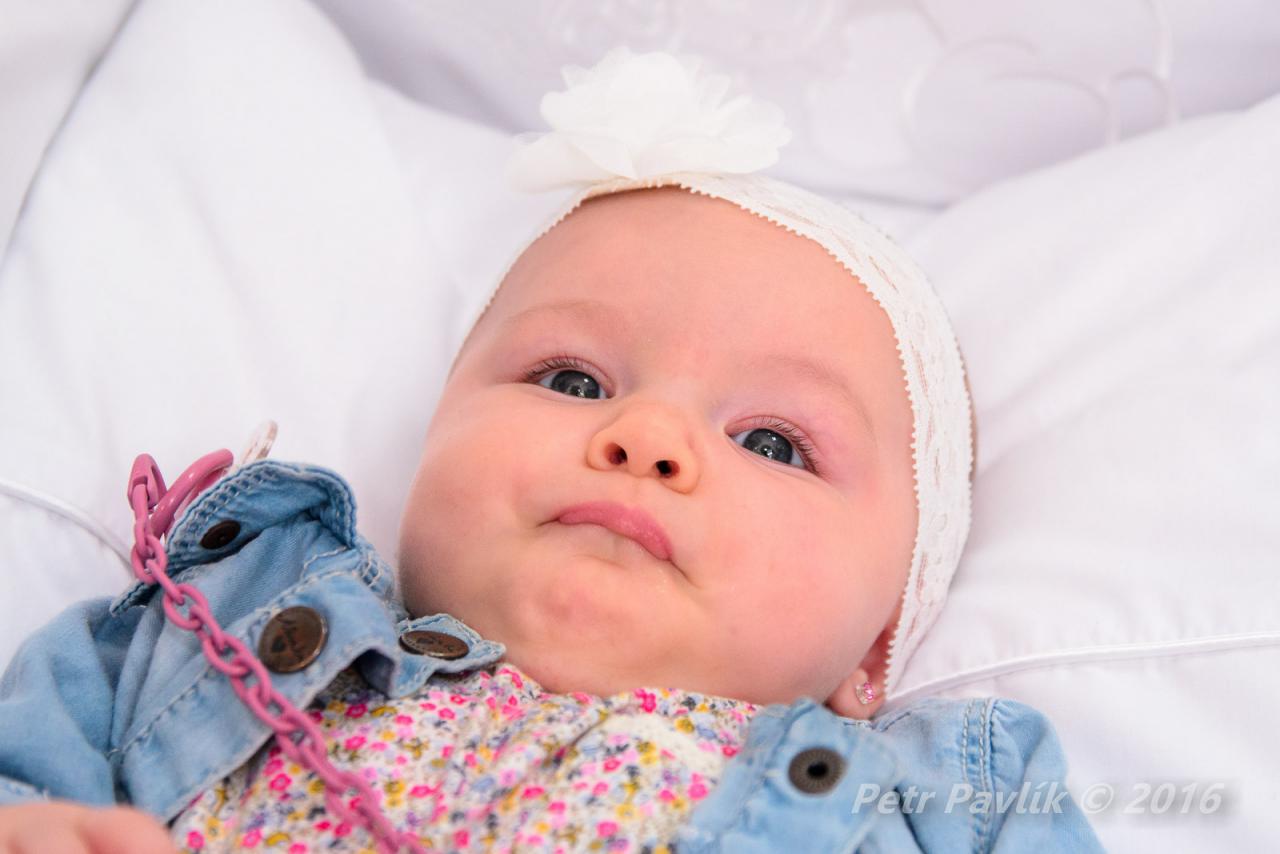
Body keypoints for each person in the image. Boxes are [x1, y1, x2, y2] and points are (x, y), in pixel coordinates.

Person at [0, 49, 1101, 852]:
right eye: (573, 382)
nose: (647, 437)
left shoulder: (950, 804)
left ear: (878, 643)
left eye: (771, 441)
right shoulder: (201, 633)